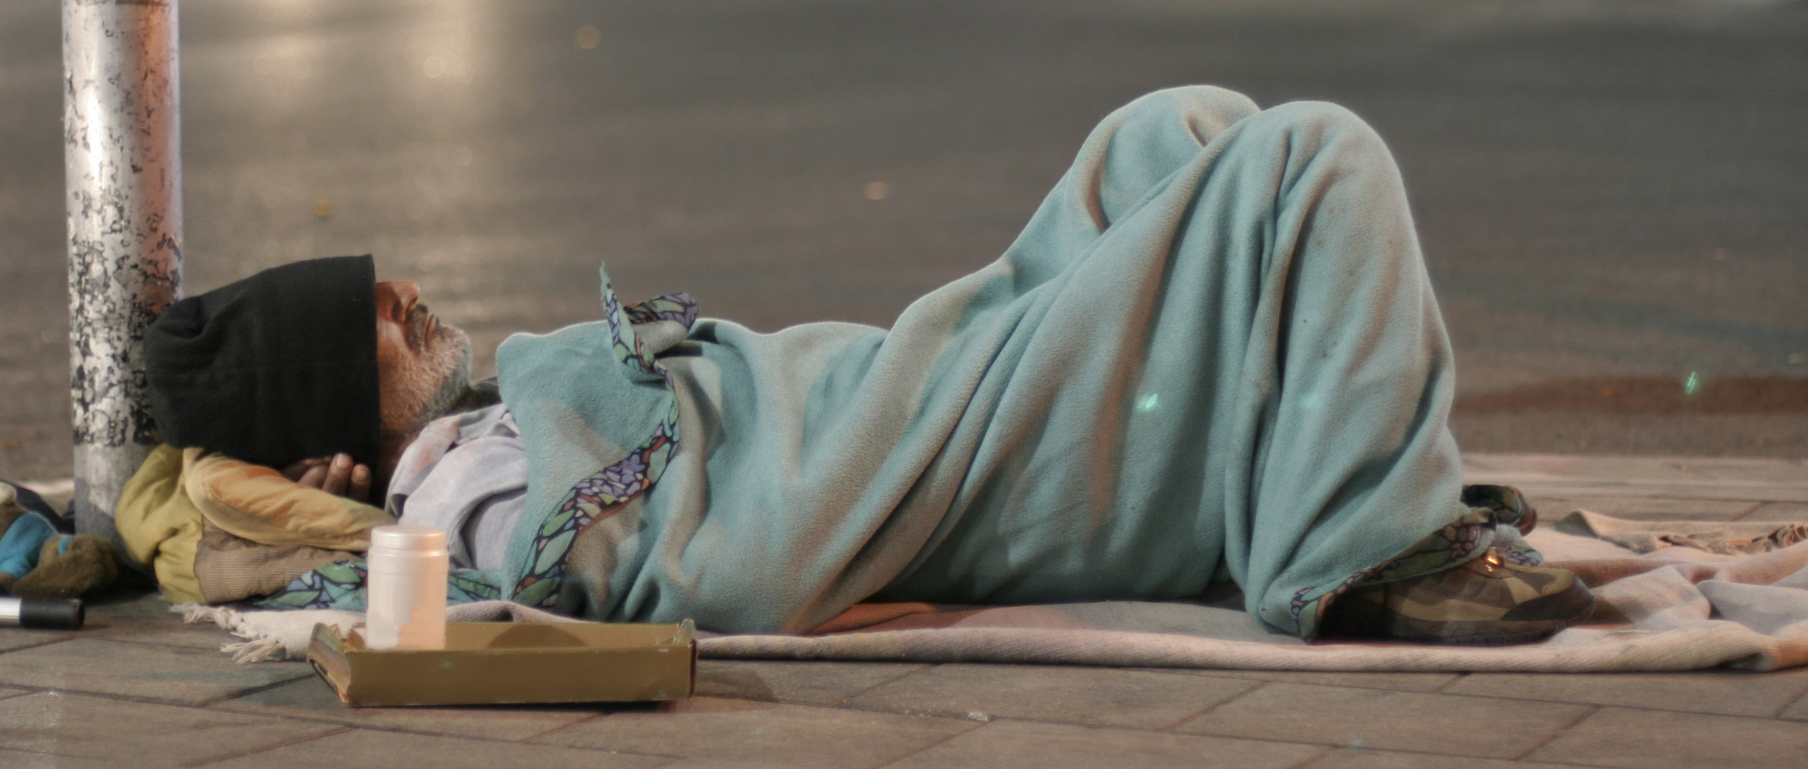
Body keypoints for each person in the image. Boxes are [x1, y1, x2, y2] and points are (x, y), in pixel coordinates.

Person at [142, 86, 1592, 645]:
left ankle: (1283, 469)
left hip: (928, 372)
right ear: (338, 424)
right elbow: (666, 564)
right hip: (945, 453)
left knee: (1177, 128)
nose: (406, 297)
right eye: (374, 323)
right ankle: (1368, 553)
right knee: (1314, 157)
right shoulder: (463, 490)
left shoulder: (484, 422)